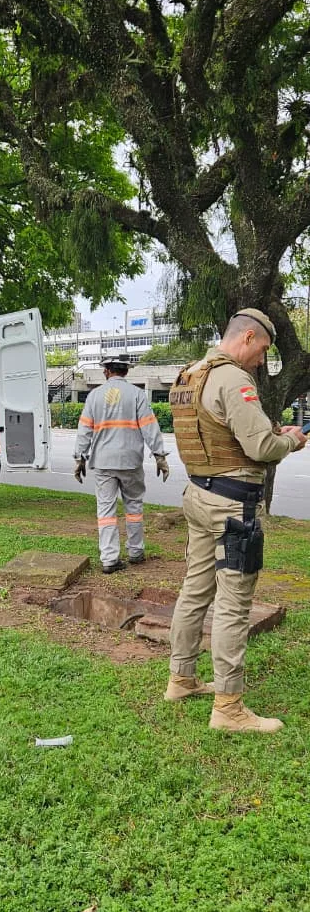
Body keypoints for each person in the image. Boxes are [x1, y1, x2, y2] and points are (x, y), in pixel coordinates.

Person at [165, 307, 307, 733]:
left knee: (194, 591)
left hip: (199, 495)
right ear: (246, 338)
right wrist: (292, 441)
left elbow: (220, 434)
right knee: (233, 603)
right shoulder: (233, 379)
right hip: (232, 508)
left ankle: (181, 679)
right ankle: (228, 708)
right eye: (263, 350)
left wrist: (268, 435)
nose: (263, 360)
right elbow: (261, 447)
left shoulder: (189, 375)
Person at [73, 355, 169, 573]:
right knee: (134, 507)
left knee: (105, 510)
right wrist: (159, 455)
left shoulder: (94, 396)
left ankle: (109, 559)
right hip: (130, 460)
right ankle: (135, 552)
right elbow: (149, 427)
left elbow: (84, 430)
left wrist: (80, 458)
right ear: (126, 371)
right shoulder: (137, 395)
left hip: (103, 462)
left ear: (106, 371)